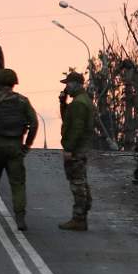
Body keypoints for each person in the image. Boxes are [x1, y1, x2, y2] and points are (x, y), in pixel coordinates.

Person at [0, 68, 39, 232]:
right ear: (14, 82)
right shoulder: (22, 101)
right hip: (15, 147)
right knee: (18, 184)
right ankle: (20, 219)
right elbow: (34, 124)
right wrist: (27, 145)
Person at [58, 70, 94, 231]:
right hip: (81, 148)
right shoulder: (81, 100)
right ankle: (81, 216)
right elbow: (68, 119)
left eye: (68, 84)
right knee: (81, 181)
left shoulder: (79, 103)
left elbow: (76, 128)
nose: (66, 87)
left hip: (77, 149)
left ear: (75, 84)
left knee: (77, 183)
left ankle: (79, 218)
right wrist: (63, 103)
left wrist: (69, 149)